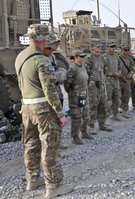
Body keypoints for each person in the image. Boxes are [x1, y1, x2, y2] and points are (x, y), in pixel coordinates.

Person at [14, 24, 73, 198]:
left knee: (30, 145)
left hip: (26, 107)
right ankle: (53, 187)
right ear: (41, 39)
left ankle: (32, 180)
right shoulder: (41, 60)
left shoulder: (20, 56)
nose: (48, 40)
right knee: (49, 147)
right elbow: (49, 90)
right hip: (43, 109)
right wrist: (60, 114)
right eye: (46, 37)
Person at [42, 34, 68, 149]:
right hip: (49, 92)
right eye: (55, 43)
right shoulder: (43, 57)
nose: (57, 45)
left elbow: (55, 72)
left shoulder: (52, 56)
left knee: (58, 119)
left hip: (56, 90)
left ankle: (58, 141)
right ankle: (50, 144)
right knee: (50, 120)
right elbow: (48, 78)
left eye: (57, 43)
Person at [64, 49, 93, 145]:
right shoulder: (73, 68)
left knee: (86, 115)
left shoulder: (83, 67)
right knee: (77, 117)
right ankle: (75, 137)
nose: (82, 58)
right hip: (75, 96)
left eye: (83, 57)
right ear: (75, 57)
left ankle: (84, 132)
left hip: (84, 94)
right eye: (80, 57)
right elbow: (67, 84)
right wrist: (73, 92)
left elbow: (86, 80)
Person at [84, 39, 112, 132]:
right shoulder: (89, 58)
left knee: (103, 104)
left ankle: (102, 124)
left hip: (102, 84)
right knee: (93, 105)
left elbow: (105, 70)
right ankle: (91, 125)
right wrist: (92, 81)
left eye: (100, 46)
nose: (99, 48)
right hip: (93, 86)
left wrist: (102, 80)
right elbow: (86, 73)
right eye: (97, 46)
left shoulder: (102, 58)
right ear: (92, 47)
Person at [103, 42, 123, 121]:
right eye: (111, 47)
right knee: (108, 99)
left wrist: (119, 72)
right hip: (109, 81)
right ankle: (107, 116)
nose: (113, 48)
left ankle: (115, 114)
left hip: (116, 80)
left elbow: (120, 66)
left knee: (117, 98)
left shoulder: (116, 56)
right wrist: (113, 74)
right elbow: (105, 69)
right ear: (108, 48)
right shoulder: (105, 57)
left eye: (114, 46)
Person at [119, 43, 135, 118]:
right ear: (122, 50)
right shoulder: (117, 58)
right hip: (119, 79)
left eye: (128, 50)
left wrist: (129, 76)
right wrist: (120, 76)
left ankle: (125, 111)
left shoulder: (130, 59)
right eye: (125, 50)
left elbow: (133, 68)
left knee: (127, 95)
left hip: (127, 80)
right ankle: (117, 109)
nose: (126, 51)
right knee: (118, 96)